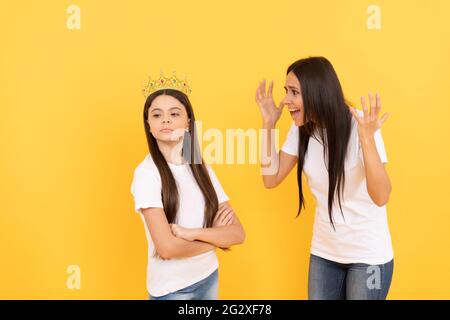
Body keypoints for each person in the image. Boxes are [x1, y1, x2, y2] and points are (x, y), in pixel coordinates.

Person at [255, 57, 394, 300]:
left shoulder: (361, 125)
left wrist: (367, 140)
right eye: (286, 91)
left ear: (317, 92)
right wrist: (268, 125)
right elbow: (271, 178)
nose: (286, 100)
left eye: (294, 92)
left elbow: (381, 196)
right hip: (325, 252)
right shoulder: (301, 128)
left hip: (367, 256)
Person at [131, 73, 245, 300]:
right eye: (157, 115)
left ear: (188, 123)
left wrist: (192, 234)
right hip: (172, 289)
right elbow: (167, 248)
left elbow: (237, 233)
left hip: (208, 276)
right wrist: (214, 240)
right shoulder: (147, 174)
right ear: (149, 124)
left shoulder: (200, 168)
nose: (165, 120)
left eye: (174, 114)